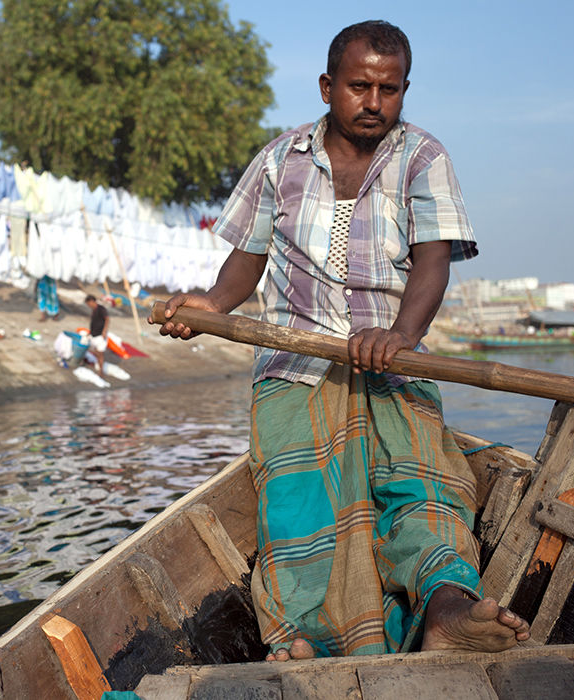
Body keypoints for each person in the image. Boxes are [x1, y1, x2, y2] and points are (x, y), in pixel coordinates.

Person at [154, 20, 530, 660]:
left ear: (404, 90)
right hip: (296, 362)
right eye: (359, 86)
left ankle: (447, 609)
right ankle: (303, 640)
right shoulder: (279, 161)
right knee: (300, 504)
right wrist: (211, 305)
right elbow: (247, 261)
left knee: (426, 482)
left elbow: (431, 263)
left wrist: (401, 335)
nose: (374, 102)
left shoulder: (423, 157)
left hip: (393, 358)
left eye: (389, 89)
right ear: (329, 86)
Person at [85, 295, 109, 376]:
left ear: (92, 301)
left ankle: (101, 371)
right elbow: (94, 322)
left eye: (88, 303)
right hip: (94, 334)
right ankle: (98, 365)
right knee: (93, 350)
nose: (88, 305)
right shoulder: (94, 310)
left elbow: (107, 319)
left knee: (100, 353)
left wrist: (104, 331)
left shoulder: (101, 309)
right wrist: (90, 332)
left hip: (100, 335)